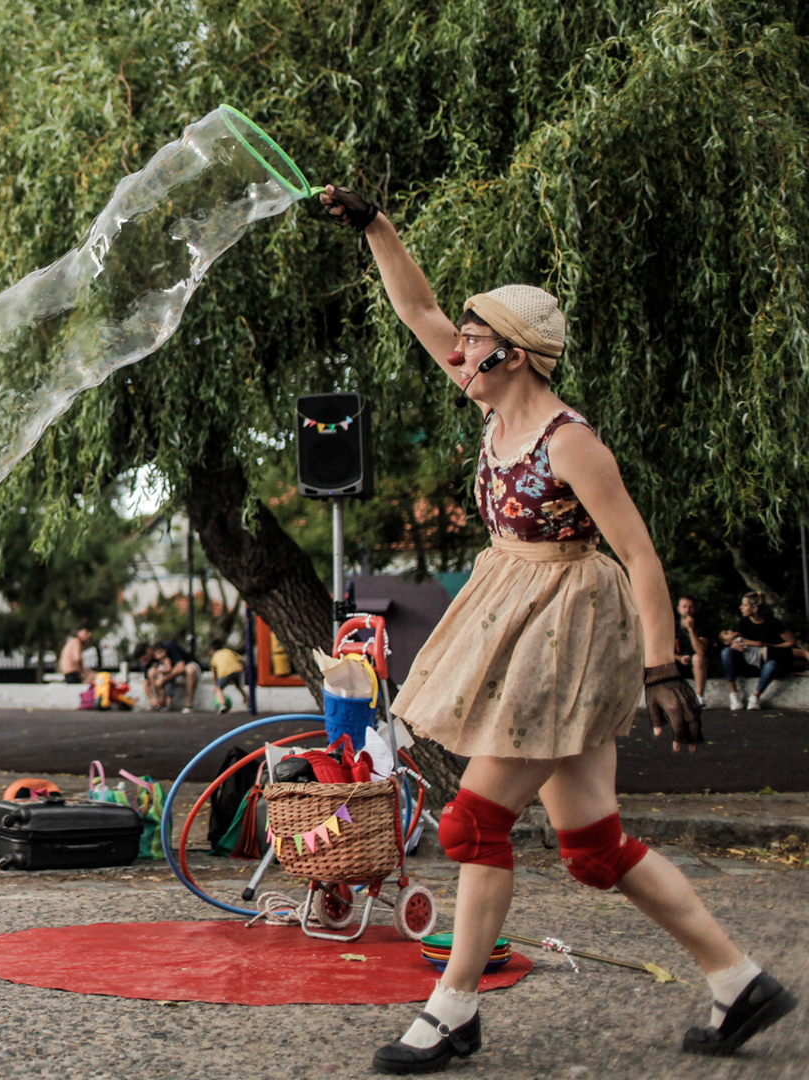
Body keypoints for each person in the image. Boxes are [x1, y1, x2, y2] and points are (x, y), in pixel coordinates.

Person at [323, 183, 791, 1070]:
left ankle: (453, 1011)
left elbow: (641, 554)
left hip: (565, 626)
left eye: (474, 338)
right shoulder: (488, 401)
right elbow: (416, 306)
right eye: (463, 339)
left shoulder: (570, 441)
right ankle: (739, 982)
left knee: (471, 826)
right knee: (593, 847)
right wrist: (376, 226)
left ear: (519, 353)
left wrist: (663, 667)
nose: (457, 348)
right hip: (516, 603)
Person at [722, 592, 794, 710]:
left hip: (766, 661)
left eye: (745, 605)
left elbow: (791, 642)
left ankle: (755, 696)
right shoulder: (743, 623)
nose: (741, 608)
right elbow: (736, 640)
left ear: (755, 608)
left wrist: (770, 647)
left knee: (772, 665)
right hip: (748, 661)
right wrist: (734, 645)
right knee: (726, 652)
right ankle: (734, 694)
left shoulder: (772, 623)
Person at [669, 597, 708, 747]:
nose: (688, 610)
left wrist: (691, 630)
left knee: (698, 658)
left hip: (697, 664)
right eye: (684, 607)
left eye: (691, 607)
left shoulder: (701, 626)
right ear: (679, 609)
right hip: (680, 662)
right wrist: (679, 658)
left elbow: (701, 650)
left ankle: (699, 697)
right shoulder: (673, 627)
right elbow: (664, 651)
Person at [209, 638, 245, 713]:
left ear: (212, 650)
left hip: (224, 672)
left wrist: (216, 685)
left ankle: (222, 705)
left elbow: (214, 673)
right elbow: (242, 659)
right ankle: (248, 701)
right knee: (239, 687)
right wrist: (243, 668)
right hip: (237, 670)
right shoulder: (229, 651)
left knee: (219, 689)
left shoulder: (215, 656)